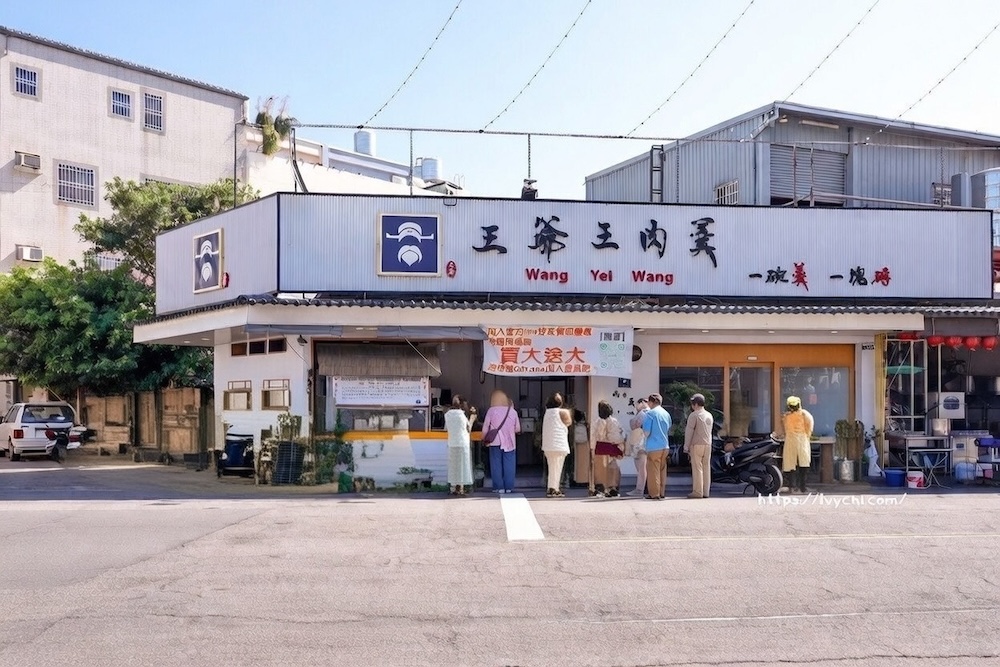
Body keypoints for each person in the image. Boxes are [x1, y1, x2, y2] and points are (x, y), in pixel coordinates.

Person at [481, 389, 520, 494]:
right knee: (509, 464)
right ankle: (509, 487)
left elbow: (485, 427)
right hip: (510, 443)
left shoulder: (491, 410)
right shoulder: (513, 412)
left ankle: (498, 487)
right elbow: (518, 429)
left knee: (496, 464)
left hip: (495, 441)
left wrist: (484, 438)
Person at [778, 395, 814, 494]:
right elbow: (810, 427)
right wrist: (807, 436)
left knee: (790, 464)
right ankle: (803, 487)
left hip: (790, 440)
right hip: (802, 440)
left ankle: (792, 487)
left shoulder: (786, 416)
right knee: (804, 462)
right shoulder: (805, 414)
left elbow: (784, 429)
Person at [591, 400, 626, 497]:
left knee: (600, 469)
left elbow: (593, 436)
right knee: (613, 468)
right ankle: (612, 488)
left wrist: (592, 448)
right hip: (612, 447)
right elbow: (618, 436)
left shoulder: (597, 421)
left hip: (600, 447)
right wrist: (621, 446)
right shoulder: (614, 421)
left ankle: (600, 488)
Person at [541, 392, 573, 498]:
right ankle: (555, 488)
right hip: (559, 444)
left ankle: (551, 487)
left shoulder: (547, 413)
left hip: (548, 445)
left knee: (552, 467)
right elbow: (568, 422)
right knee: (558, 467)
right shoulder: (563, 412)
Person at [642, 393, 672, 500]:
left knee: (653, 470)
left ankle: (654, 493)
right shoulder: (666, 413)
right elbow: (669, 427)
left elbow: (646, 432)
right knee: (662, 469)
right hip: (665, 445)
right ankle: (662, 492)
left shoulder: (650, 414)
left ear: (651, 402)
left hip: (654, 446)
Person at [684, 393, 714, 499]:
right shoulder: (709, 415)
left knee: (697, 468)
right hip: (708, 444)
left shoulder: (694, 415)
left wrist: (686, 446)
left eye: (692, 404)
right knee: (706, 467)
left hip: (697, 444)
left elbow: (689, 431)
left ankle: (697, 491)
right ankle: (706, 491)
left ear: (695, 404)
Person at [445, 395, 475, 496]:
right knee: (462, 466)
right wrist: (472, 418)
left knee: (453, 466)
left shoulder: (447, 414)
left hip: (452, 443)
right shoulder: (461, 415)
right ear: (461, 405)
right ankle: (460, 488)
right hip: (462, 443)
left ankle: (453, 487)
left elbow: (446, 428)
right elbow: (468, 429)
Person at [626, 398, 649, 496]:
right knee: (641, 467)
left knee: (641, 467)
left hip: (640, 443)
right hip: (642, 442)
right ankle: (642, 488)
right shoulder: (648, 413)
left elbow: (634, 424)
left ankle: (640, 489)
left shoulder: (644, 413)